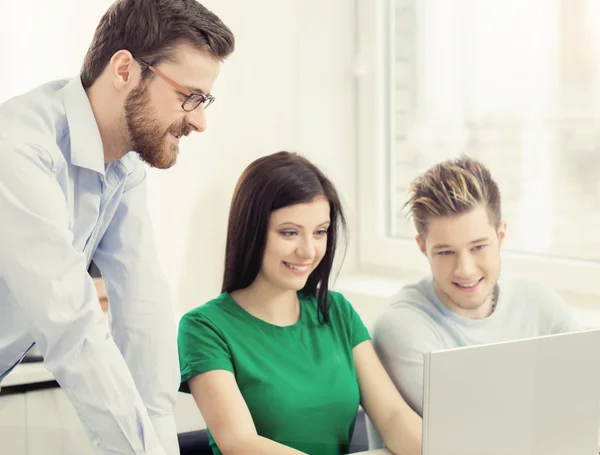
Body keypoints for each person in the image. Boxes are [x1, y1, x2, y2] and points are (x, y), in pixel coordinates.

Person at [0, 1, 234, 454]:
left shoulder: (123, 168)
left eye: (205, 101)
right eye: (191, 96)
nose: (199, 121)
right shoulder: (19, 149)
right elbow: (72, 325)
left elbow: (143, 311)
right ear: (125, 69)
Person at [177, 151, 423, 455]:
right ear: (252, 231)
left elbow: (393, 416)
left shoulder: (336, 312)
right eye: (290, 232)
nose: (308, 251)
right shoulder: (204, 328)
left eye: (320, 232)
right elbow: (239, 442)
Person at [366, 155, 583, 449]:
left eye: (478, 247)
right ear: (422, 247)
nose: (465, 269)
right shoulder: (402, 325)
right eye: (445, 252)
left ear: (501, 235)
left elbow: (585, 397)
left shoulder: (538, 302)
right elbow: (480, 436)